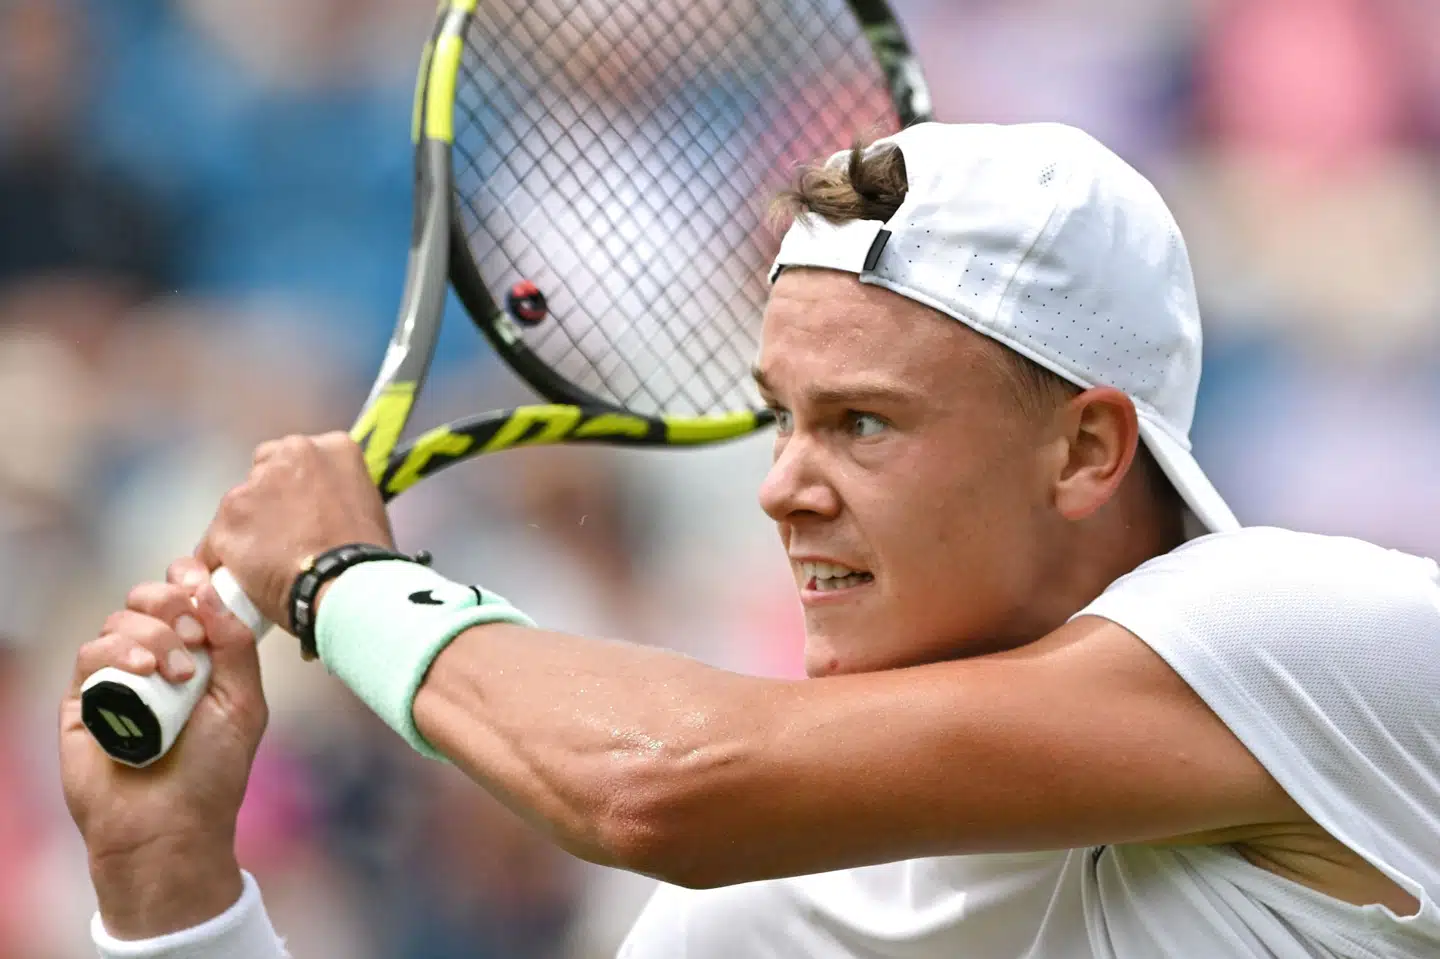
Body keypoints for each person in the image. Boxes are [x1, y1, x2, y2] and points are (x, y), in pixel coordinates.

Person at [62, 122, 1440, 958]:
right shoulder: (767, 913)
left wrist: (342, 579)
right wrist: (174, 887)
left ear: (1087, 449)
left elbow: (656, 790)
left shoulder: (1325, 634)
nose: (782, 487)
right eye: (782, 418)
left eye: (863, 424)